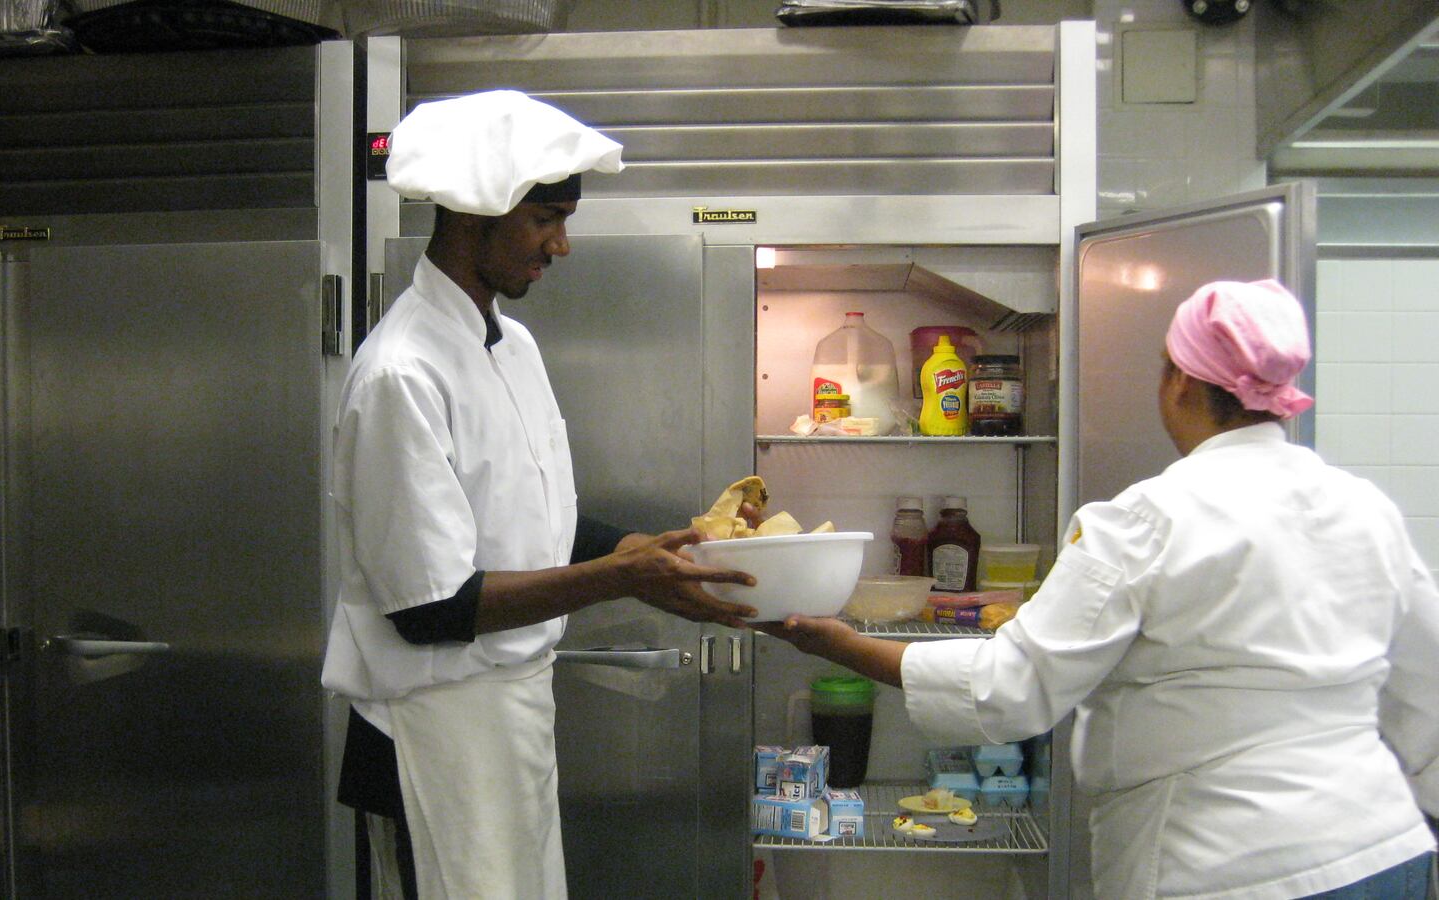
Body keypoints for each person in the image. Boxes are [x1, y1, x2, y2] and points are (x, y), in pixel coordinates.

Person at [763, 279, 1439, 898]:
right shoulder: (1365, 507)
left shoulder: (1146, 520)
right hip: (1383, 847)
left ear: (1180, 380)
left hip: (1227, 863)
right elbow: (1426, 693)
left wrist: (834, 642)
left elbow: (1010, 688)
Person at [320, 89, 759, 900]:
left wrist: (650, 555)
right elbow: (429, 608)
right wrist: (621, 579)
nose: (562, 245)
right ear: (473, 214)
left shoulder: (510, 344)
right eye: (545, 219)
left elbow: (535, 518)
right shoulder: (399, 373)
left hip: (510, 714)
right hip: (432, 727)